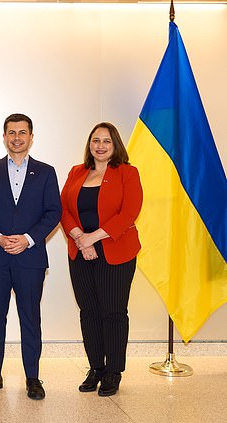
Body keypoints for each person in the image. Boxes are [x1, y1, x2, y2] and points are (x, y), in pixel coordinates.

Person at [0, 113, 61, 400]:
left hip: (30, 257)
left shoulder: (46, 172)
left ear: (31, 137)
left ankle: (33, 378)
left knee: (30, 319)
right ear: (4, 136)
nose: (17, 138)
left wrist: (28, 239)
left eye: (23, 133)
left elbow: (53, 213)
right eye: (12, 132)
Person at [60, 122, 142, 397]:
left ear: (115, 145)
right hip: (80, 252)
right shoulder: (77, 172)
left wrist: (93, 238)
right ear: (90, 144)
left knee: (113, 312)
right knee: (89, 312)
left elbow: (129, 213)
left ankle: (113, 371)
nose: (100, 146)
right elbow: (62, 209)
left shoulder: (127, 173)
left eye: (107, 141)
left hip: (115, 252)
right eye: (96, 140)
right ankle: (95, 368)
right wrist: (80, 239)